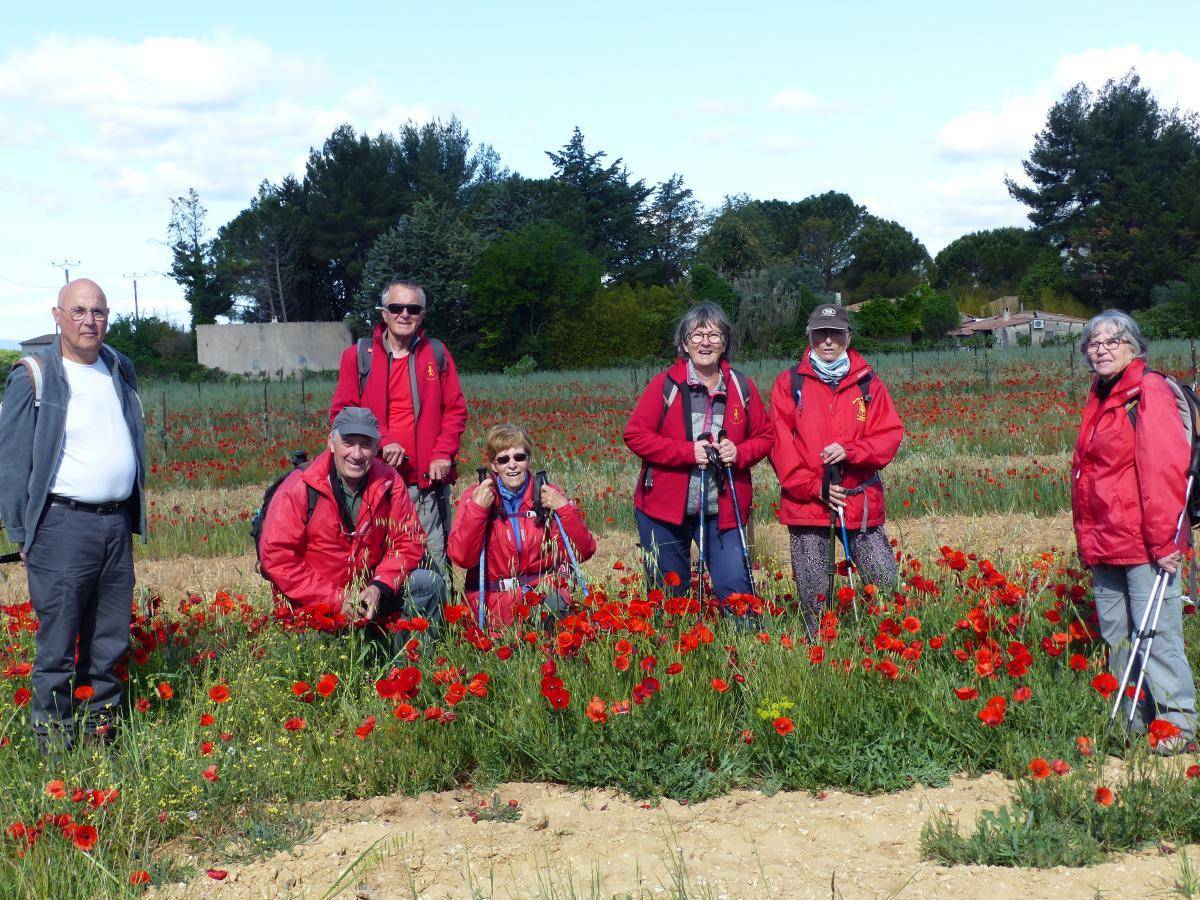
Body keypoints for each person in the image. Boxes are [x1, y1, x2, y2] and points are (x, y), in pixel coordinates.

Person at [0, 279, 146, 750]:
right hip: (62, 526)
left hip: (114, 524)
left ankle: (100, 733)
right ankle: (55, 745)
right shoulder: (35, 375)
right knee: (59, 642)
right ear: (57, 315)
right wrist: (21, 531)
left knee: (109, 639)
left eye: (99, 312)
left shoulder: (117, 367)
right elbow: (11, 459)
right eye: (79, 311)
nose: (90, 321)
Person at [1070, 310, 1196, 754]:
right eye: (1093, 343)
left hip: (1145, 543)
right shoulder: (1102, 395)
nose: (1100, 349)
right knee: (1118, 636)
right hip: (1106, 541)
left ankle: (1178, 726)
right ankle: (1134, 724)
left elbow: (1164, 471)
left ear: (1133, 347)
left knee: (1158, 635)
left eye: (1111, 341)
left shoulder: (1148, 392)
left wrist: (1165, 542)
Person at [623, 302, 773, 610]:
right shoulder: (665, 386)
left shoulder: (741, 386)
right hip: (663, 512)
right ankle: (675, 651)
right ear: (684, 342)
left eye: (714, 335)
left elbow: (766, 436)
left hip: (723, 511)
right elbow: (635, 435)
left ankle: (747, 652)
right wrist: (687, 453)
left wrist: (739, 452)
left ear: (725, 343)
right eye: (697, 334)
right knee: (670, 597)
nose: (705, 342)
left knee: (736, 590)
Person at [770, 303, 904, 638]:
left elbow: (888, 435)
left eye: (836, 334)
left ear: (848, 336)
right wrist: (815, 486)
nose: (828, 341)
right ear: (810, 336)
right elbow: (780, 447)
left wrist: (851, 451)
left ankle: (886, 643)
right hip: (808, 505)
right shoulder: (789, 384)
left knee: (884, 581)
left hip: (859, 502)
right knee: (816, 594)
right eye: (820, 334)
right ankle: (823, 655)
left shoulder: (868, 383)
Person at [259, 407, 444, 638]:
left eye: (366, 444)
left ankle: (410, 667)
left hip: (368, 596)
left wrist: (379, 587)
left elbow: (408, 542)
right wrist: (337, 600)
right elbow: (277, 559)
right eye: (348, 442)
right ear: (331, 443)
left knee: (427, 583)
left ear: (377, 447)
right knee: (319, 660)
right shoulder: (300, 487)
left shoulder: (389, 481)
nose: (356, 454)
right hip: (314, 602)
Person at [330, 280, 468, 574]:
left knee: (433, 564)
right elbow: (343, 414)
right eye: (396, 307)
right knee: (376, 562)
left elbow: (455, 410)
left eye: (413, 308)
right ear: (383, 313)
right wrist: (382, 440)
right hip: (374, 484)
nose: (404, 314)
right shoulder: (357, 357)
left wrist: (443, 453)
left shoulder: (437, 353)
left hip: (425, 485)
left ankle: (435, 619)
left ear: (422, 315)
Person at [446, 423, 596, 630]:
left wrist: (564, 508)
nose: (512, 465)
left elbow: (583, 551)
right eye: (503, 459)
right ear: (493, 465)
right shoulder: (476, 496)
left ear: (529, 459)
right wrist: (478, 510)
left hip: (541, 595)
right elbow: (462, 557)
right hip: (494, 601)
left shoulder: (546, 494)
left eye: (519, 457)